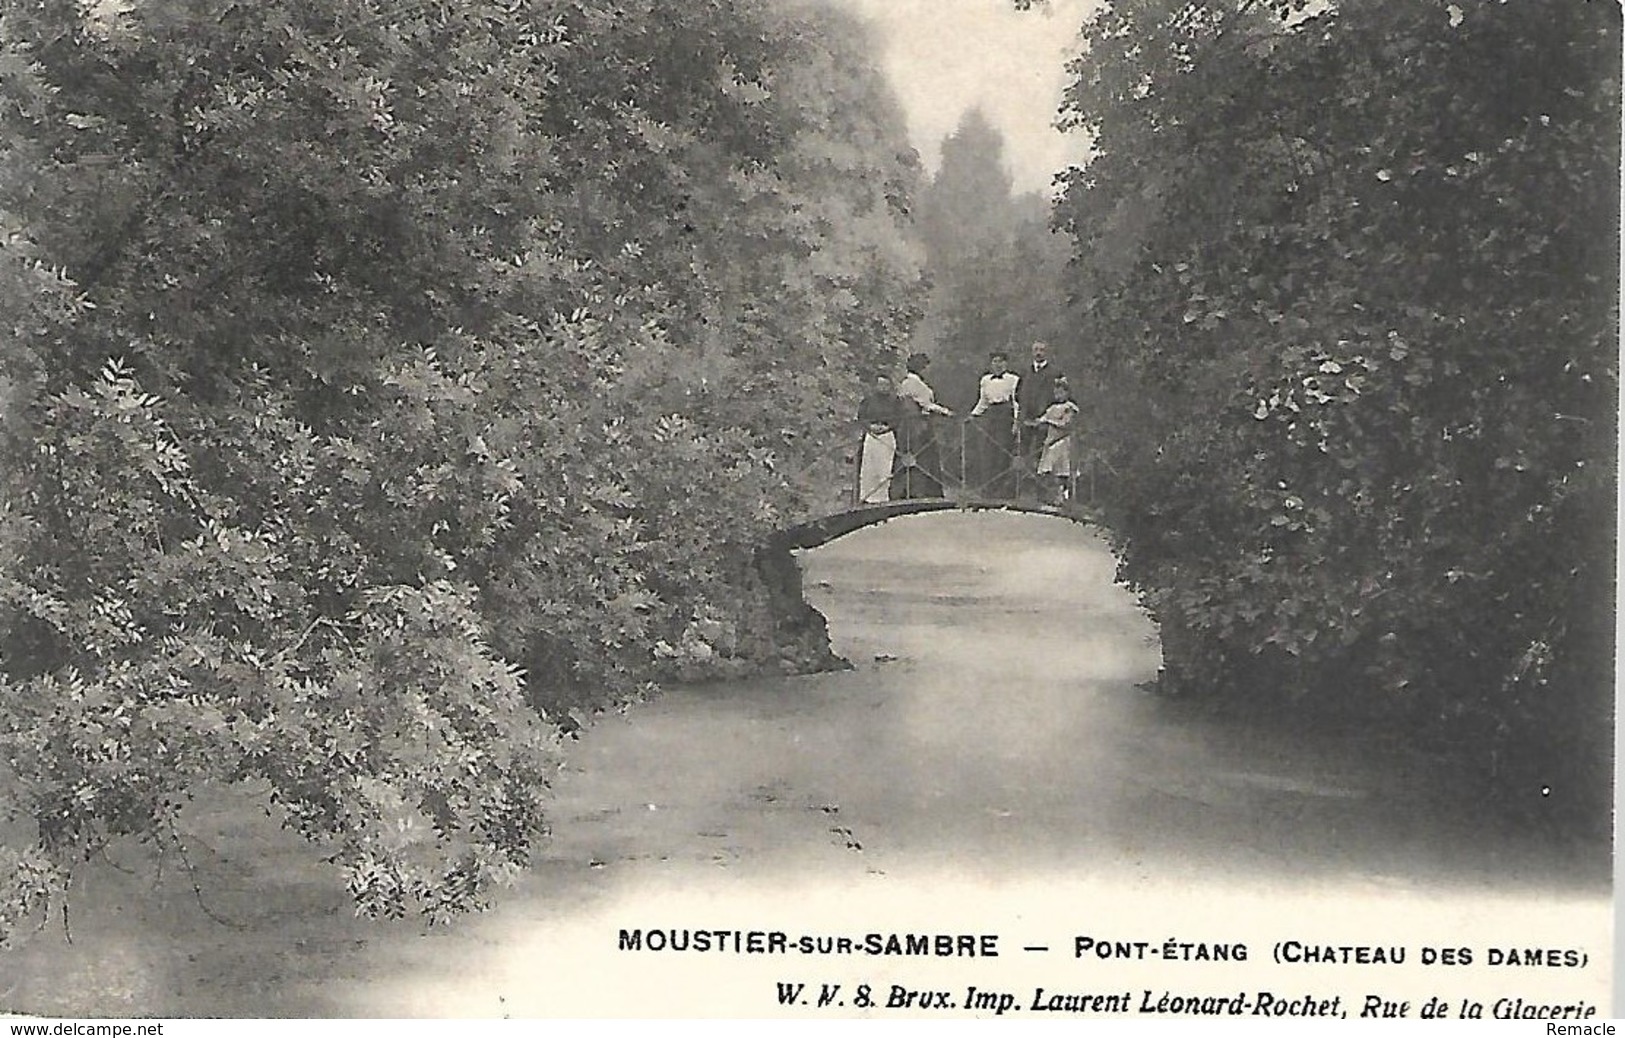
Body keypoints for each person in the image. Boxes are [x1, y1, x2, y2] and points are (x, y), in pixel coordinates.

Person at [893, 352, 953, 499]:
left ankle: (914, 491)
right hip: (917, 425)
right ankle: (917, 492)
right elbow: (926, 405)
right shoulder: (914, 383)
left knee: (917, 456)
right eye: (925, 367)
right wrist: (945, 411)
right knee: (921, 456)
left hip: (913, 424)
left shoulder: (909, 382)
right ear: (921, 367)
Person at [968, 350, 1020, 500]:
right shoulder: (985, 380)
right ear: (991, 364)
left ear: (1006, 363)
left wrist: (1016, 422)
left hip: (1005, 415)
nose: (998, 365)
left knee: (1002, 453)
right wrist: (973, 415)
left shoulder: (1013, 379)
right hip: (990, 416)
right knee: (987, 451)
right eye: (995, 362)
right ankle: (987, 489)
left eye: (1001, 361)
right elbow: (982, 402)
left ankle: (1002, 490)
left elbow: (1016, 402)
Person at [1015, 339, 1066, 492]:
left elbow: (1062, 395)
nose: (1038, 353)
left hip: (1045, 421)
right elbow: (1018, 395)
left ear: (1047, 352)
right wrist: (1020, 418)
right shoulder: (1025, 372)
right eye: (1036, 350)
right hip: (1026, 421)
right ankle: (1024, 490)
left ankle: (1042, 490)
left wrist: (1048, 415)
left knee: (1043, 455)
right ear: (1032, 352)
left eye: (1042, 350)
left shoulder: (1055, 373)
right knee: (1024, 454)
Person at [1027, 376, 1081, 505]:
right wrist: (1033, 422)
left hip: (1063, 442)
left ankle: (1064, 496)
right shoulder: (1052, 408)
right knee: (1047, 470)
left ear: (1067, 393)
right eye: (1056, 393)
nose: (1058, 395)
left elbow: (1065, 424)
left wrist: (1049, 421)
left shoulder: (1070, 408)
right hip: (1050, 442)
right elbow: (1041, 419)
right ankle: (1048, 496)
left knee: (1063, 471)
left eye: (1061, 392)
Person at [855, 373, 900, 504]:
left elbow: (899, 419)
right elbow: (861, 416)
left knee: (885, 467)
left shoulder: (895, 401)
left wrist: (887, 427)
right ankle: (867, 497)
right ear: (875, 386)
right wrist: (870, 427)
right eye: (881, 384)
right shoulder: (868, 401)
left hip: (887, 436)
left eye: (886, 384)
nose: (883, 387)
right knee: (869, 467)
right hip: (872, 436)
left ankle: (883, 498)